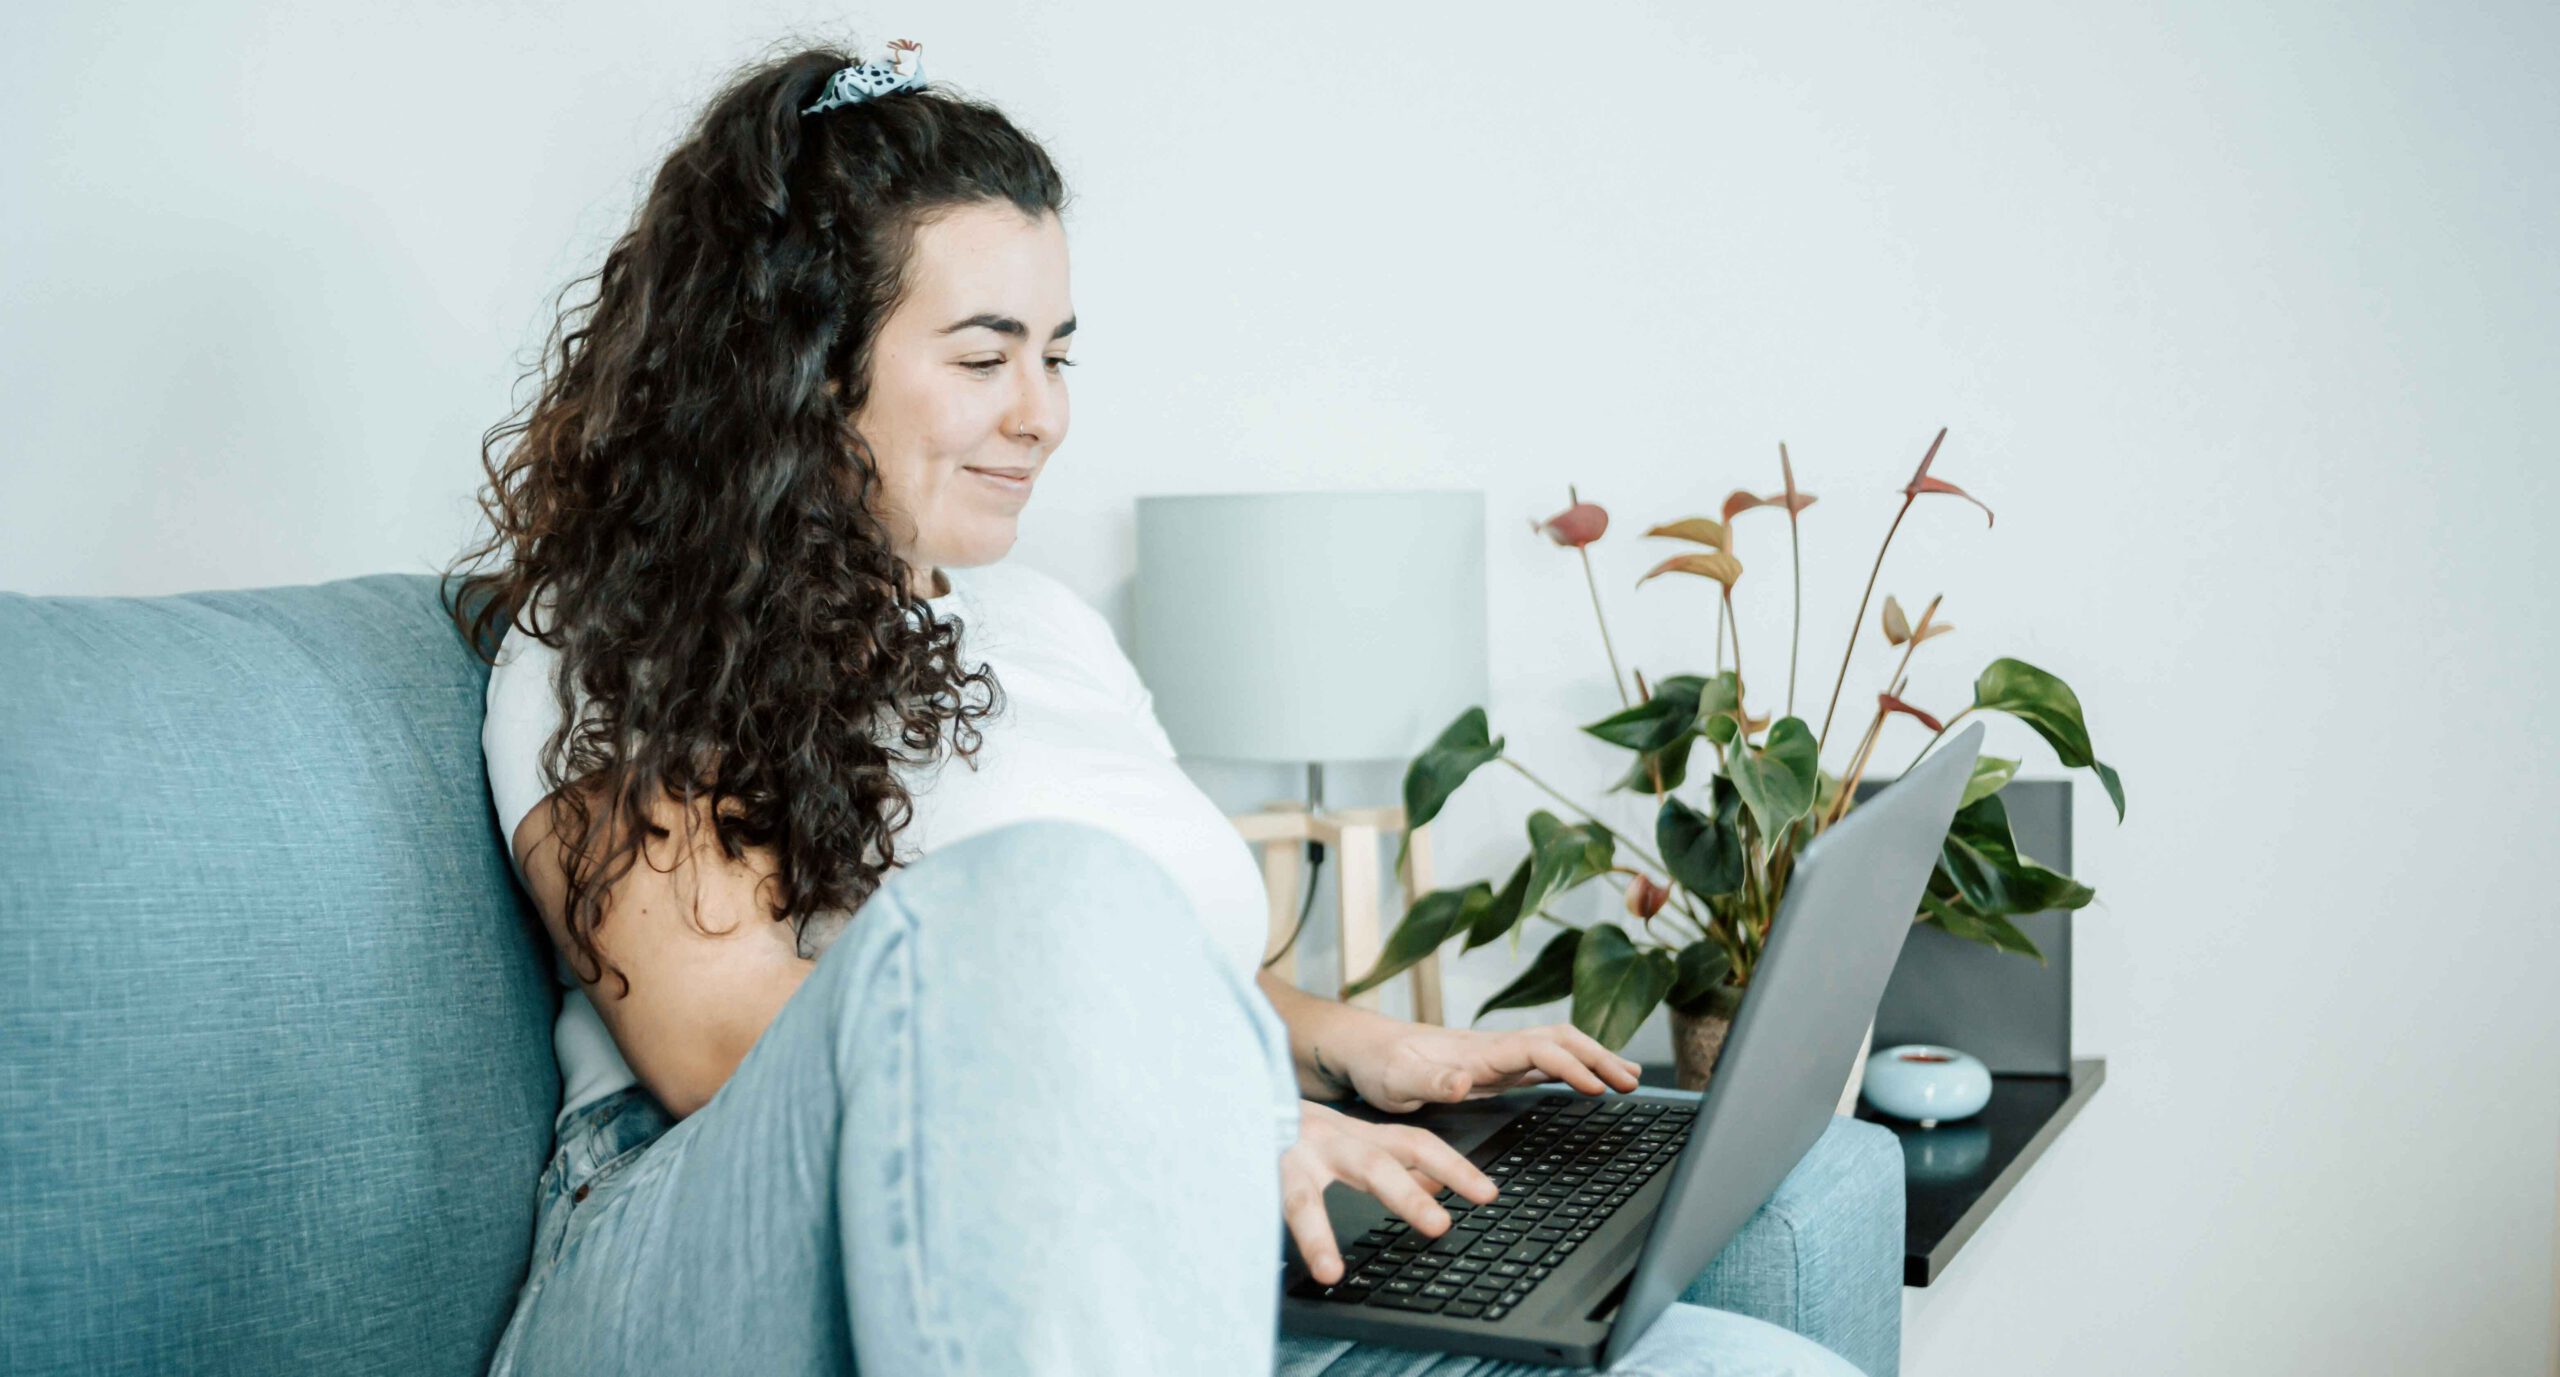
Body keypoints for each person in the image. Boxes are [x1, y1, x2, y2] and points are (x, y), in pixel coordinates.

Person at [445, 39, 1861, 1377]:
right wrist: (1202, 1123)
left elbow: (1143, 980)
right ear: (804, 367)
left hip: (1116, 1224)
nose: (1044, 414)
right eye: (985, 356)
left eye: (1057, 355)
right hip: (707, 1242)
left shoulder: (1041, 626)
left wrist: (1349, 1042)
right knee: (1045, 892)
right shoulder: (615, 631)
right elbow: (718, 1037)